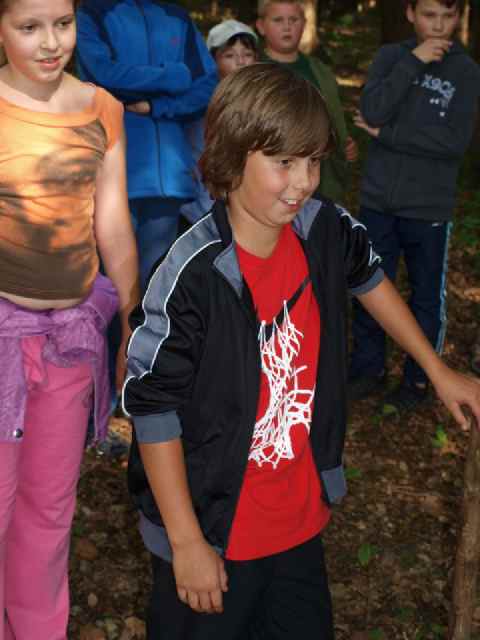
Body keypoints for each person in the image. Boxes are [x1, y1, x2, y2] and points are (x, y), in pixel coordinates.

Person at [123, 63, 480, 640]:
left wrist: (436, 369)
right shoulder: (191, 272)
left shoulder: (323, 231)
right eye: (284, 162)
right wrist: (185, 542)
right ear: (232, 155)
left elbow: (369, 277)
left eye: (313, 162)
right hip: (212, 528)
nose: (303, 182)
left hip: (296, 524)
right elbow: (153, 407)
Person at [0, 0, 139, 638]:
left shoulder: (101, 107)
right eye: (29, 27)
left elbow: (112, 221)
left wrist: (132, 320)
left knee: (49, 506)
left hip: (72, 338)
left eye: (63, 23)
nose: (50, 42)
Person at [348, 0, 480, 413]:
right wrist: (414, 61)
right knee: (369, 284)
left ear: (458, 17)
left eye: (447, 16)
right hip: (378, 200)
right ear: (410, 13)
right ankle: (368, 368)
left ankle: (419, 377)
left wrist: (386, 135)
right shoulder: (391, 57)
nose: (438, 26)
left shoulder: (466, 71)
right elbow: (373, 109)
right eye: (429, 15)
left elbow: (453, 143)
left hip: (429, 208)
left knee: (425, 298)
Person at [75, 0, 218, 290]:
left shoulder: (178, 16)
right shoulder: (92, 12)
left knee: (156, 285)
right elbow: (103, 75)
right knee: (110, 288)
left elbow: (207, 85)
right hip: (112, 169)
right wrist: (174, 76)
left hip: (168, 177)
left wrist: (157, 106)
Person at [256, 0, 358, 204]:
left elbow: (335, 120)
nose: (287, 27)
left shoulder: (320, 71)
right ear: (261, 26)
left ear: (304, 23)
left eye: (293, 20)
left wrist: (343, 144)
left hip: (319, 183)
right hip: (268, 184)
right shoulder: (253, 70)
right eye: (278, 20)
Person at [181, 19, 260, 224]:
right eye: (229, 56)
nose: (240, 62)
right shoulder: (199, 102)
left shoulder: (263, 100)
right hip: (202, 207)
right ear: (212, 60)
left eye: (247, 54)